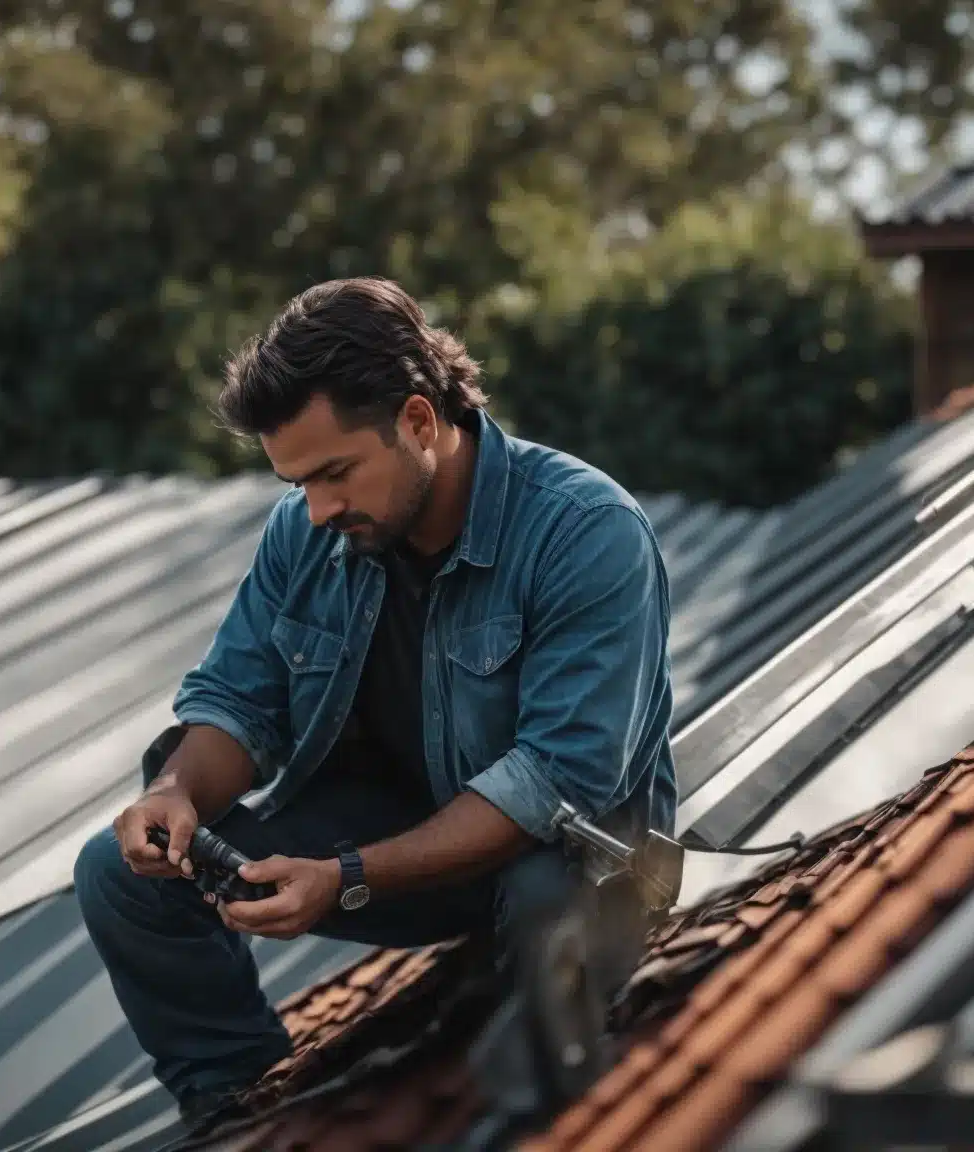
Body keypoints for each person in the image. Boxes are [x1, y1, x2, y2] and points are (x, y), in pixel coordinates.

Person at [72, 277, 678, 1134]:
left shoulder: (586, 531)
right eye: (297, 483)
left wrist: (347, 879)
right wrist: (175, 791)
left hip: (567, 860)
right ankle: (243, 1115)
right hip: (396, 838)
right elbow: (238, 700)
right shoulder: (307, 530)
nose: (316, 510)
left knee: (548, 912)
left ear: (420, 421)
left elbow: (558, 784)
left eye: (334, 474)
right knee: (116, 872)